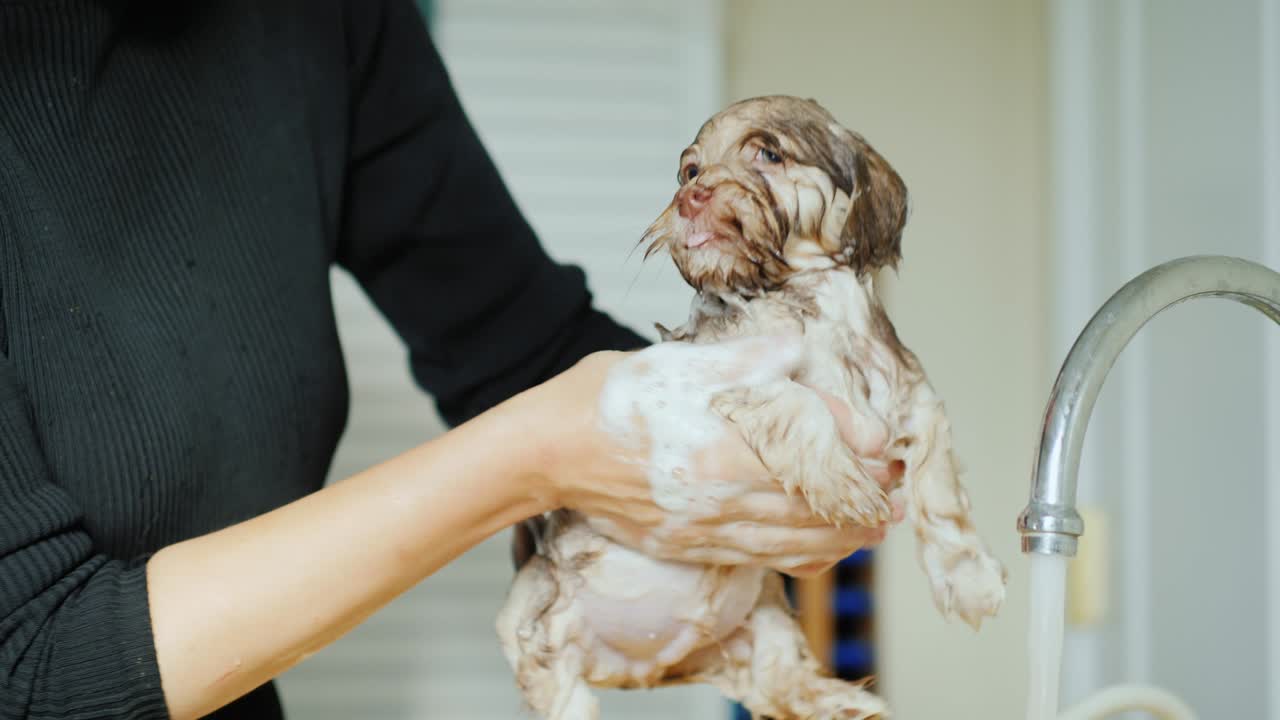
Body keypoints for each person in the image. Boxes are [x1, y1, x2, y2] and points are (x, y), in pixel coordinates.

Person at [0, 1, 900, 718]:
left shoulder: (323, 22)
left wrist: (779, 419)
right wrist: (531, 455)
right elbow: (33, 671)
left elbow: (522, 345)